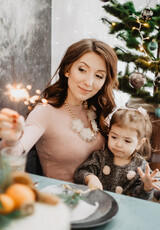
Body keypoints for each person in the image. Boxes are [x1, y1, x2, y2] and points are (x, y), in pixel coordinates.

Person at [0, 38, 118, 182]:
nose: (89, 82)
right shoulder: (45, 112)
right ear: (67, 69)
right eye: (82, 70)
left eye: (98, 76)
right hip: (61, 200)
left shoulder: (95, 110)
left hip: (100, 199)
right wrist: (12, 140)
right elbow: (15, 152)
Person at [73, 107, 160, 200]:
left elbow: (140, 198)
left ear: (139, 143)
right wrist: (90, 178)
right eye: (114, 137)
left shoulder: (141, 166)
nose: (118, 144)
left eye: (127, 141)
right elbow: (79, 173)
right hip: (96, 203)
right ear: (108, 133)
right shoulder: (100, 156)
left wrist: (146, 187)